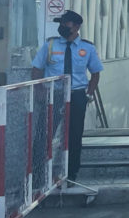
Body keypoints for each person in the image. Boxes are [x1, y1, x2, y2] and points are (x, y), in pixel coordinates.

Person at [31, 10, 103, 182]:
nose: (62, 26)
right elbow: (37, 69)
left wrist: (88, 94)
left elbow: (95, 73)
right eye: (61, 23)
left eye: (65, 23)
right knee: (43, 135)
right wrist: (39, 91)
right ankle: (37, 176)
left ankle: (70, 174)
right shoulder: (50, 45)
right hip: (53, 96)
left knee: (74, 136)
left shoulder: (87, 48)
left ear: (76, 26)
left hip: (77, 96)